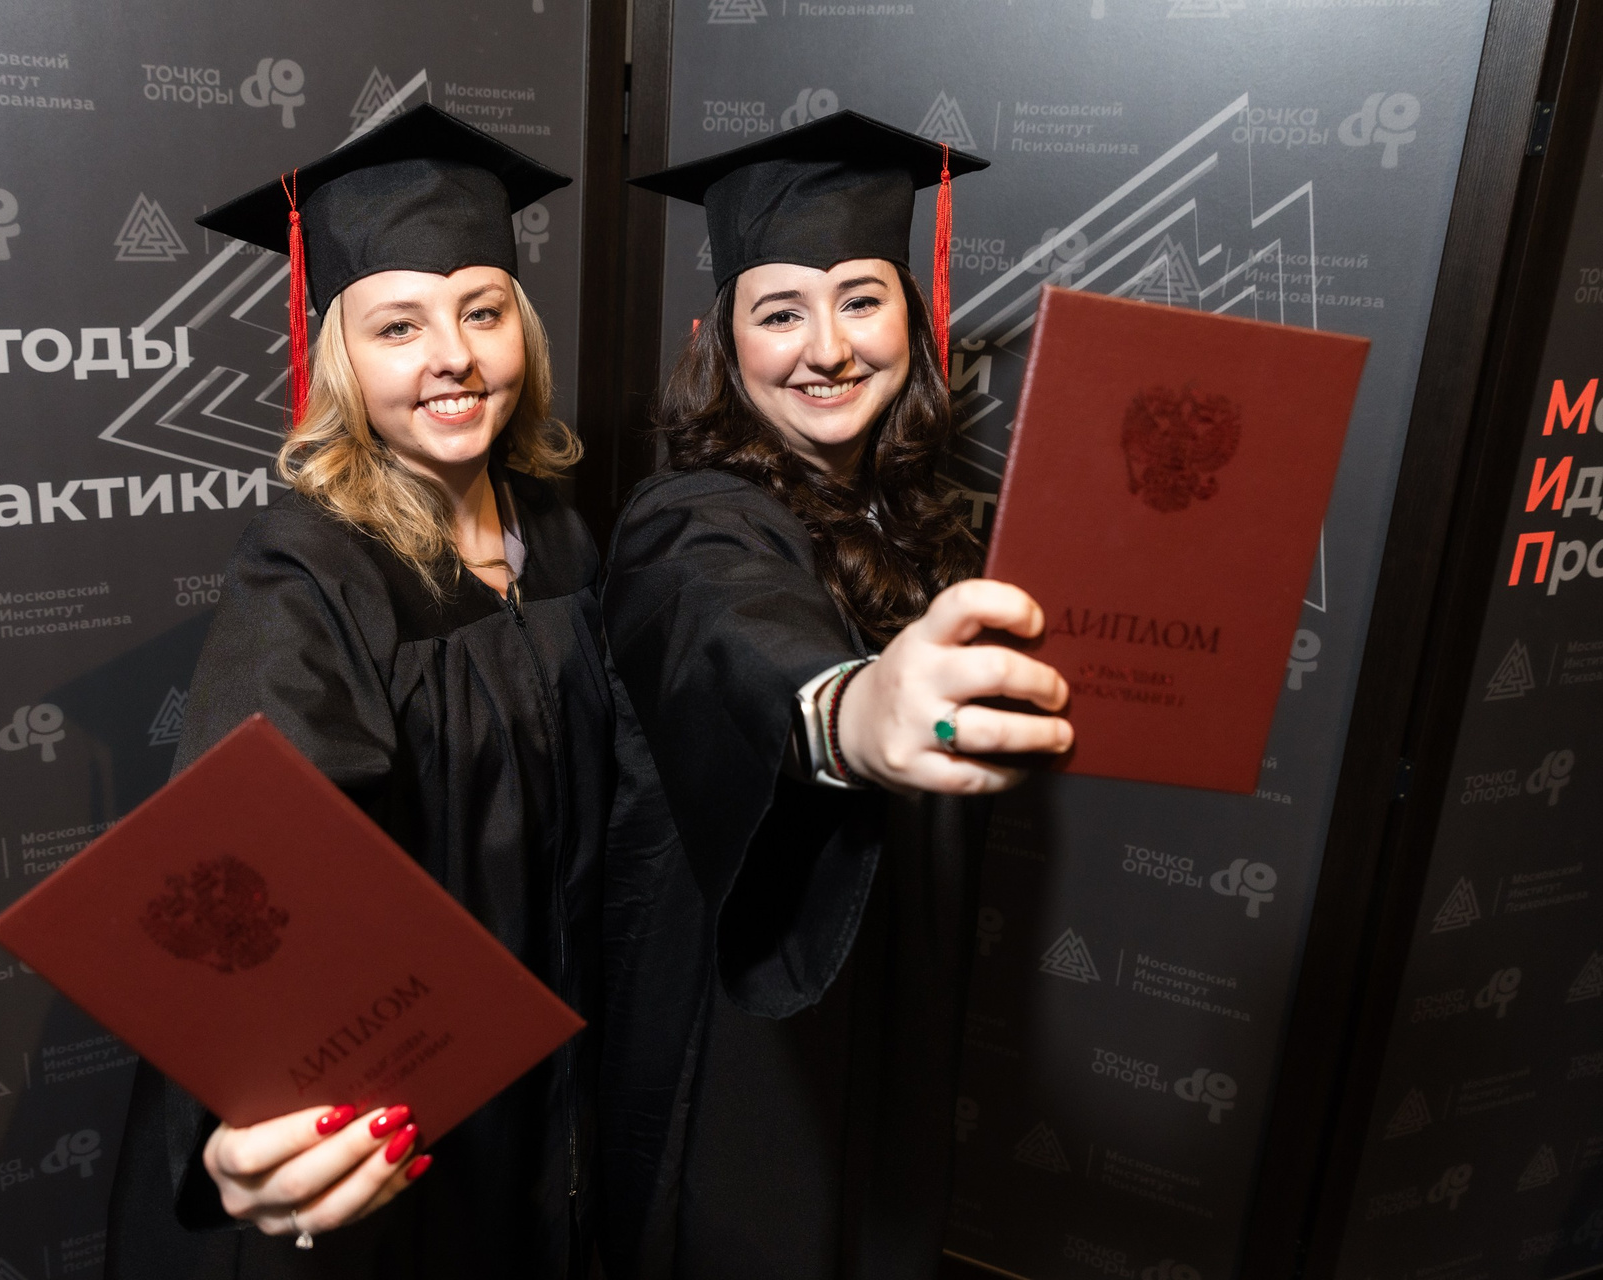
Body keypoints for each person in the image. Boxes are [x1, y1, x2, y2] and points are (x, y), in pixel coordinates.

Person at [105, 105, 610, 1280]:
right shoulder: (309, 569)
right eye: (398, 325)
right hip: (411, 1096)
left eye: (483, 311)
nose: (455, 355)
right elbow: (252, 856)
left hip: (559, 1077)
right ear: (338, 356)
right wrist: (248, 1118)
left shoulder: (563, 538)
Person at [599, 112, 1075, 1280]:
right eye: (780, 313)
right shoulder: (690, 517)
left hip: (891, 999)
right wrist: (854, 713)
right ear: (723, 340)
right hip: (744, 1030)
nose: (827, 347)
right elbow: (738, 639)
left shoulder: (915, 518)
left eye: (861, 299)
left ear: (910, 314)